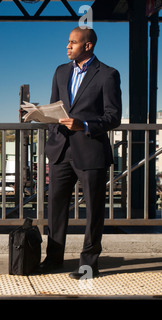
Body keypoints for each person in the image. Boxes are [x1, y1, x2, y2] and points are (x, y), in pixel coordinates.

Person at [40, 26, 122, 279]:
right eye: (67, 42)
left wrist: (84, 125)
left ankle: (88, 264)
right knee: (55, 208)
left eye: (73, 43)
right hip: (61, 150)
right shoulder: (60, 71)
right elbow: (56, 107)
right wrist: (39, 114)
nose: (68, 46)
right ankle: (53, 259)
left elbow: (113, 117)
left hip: (90, 150)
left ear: (88, 46)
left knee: (94, 210)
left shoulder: (108, 75)